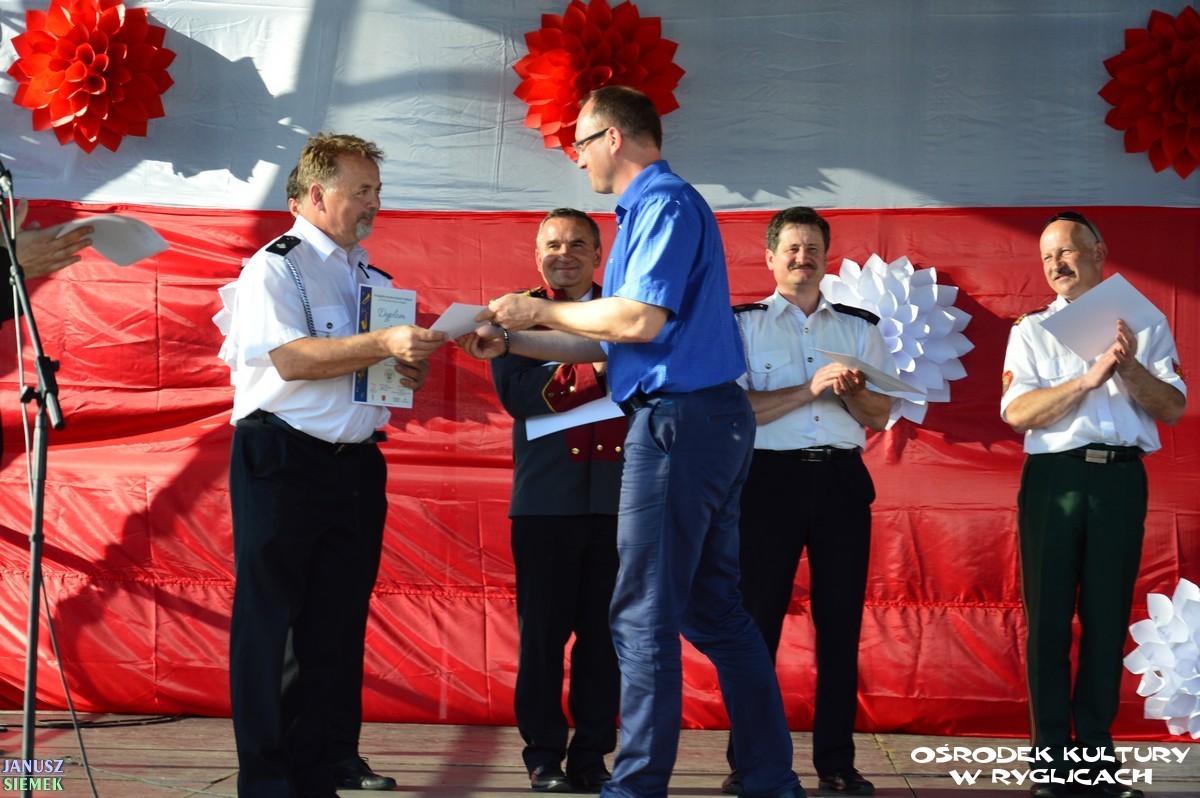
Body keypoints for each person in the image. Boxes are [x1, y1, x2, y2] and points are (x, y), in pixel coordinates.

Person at [460, 85, 804, 798]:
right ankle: (768, 775)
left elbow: (637, 323)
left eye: (581, 142)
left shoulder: (662, 204)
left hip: (679, 421)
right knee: (713, 609)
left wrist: (537, 310)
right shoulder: (649, 211)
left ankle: (639, 784)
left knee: (643, 610)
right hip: (702, 418)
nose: (577, 157)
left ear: (612, 138)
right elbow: (615, 342)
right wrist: (513, 341)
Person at [217, 132, 447, 798]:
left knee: (333, 626)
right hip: (282, 457)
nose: (374, 203)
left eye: (377, 190)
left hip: (356, 465)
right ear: (317, 195)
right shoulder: (275, 267)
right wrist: (382, 341)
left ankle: (314, 771)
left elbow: (376, 370)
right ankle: (266, 781)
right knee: (270, 624)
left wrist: (404, 365)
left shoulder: (370, 276)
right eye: (362, 190)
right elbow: (290, 359)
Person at [1001, 211, 1186, 798]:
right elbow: (1017, 413)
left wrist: (1127, 368)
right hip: (1055, 479)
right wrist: (1085, 379)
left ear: (1099, 252)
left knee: (1107, 621)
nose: (1056, 264)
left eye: (1066, 251)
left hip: (1121, 481)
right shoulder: (1032, 330)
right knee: (1049, 622)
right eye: (1047, 257)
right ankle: (1051, 765)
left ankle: (1096, 764)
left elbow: (1173, 407)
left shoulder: (1146, 323)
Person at [723, 207, 894, 797]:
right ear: (770, 258)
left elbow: (881, 416)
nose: (803, 257)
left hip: (841, 482)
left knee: (841, 626)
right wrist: (809, 389)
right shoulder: (742, 325)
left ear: (828, 257)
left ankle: (837, 763)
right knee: (756, 625)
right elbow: (735, 410)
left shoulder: (858, 328)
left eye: (813, 248)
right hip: (767, 483)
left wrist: (854, 393)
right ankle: (750, 761)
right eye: (792, 248)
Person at [490, 208, 623, 793]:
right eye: (552, 245)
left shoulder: (625, 312)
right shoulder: (513, 313)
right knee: (542, 639)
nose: (563, 254)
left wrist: (593, 363)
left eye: (576, 244)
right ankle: (543, 757)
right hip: (546, 500)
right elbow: (521, 396)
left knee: (605, 640)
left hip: (620, 499)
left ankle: (591, 755)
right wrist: (603, 365)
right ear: (536, 254)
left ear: (598, 254)